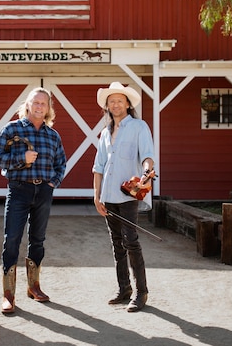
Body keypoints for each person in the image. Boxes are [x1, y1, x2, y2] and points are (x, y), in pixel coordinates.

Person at [0, 87, 67, 314]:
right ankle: (8, 295)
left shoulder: (53, 135)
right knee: (12, 238)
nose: (39, 106)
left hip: (43, 191)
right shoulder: (12, 129)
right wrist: (20, 158)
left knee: (38, 240)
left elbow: (61, 164)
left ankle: (34, 287)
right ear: (28, 105)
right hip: (19, 190)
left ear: (48, 108)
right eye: (35, 102)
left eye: (44, 103)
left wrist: (53, 183)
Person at [92, 82, 155, 313]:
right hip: (108, 196)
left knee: (131, 241)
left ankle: (141, 292)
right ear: (107, 106)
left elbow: (148, 156)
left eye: (120, 100)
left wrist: (147, 172)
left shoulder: (139, 127)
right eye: (111, 101)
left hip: (128, 195)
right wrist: (96, 195)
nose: (115, 104)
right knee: (116, 243)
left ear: (127, 104)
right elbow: (98, 166)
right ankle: (124, 289)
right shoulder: (105, 133)